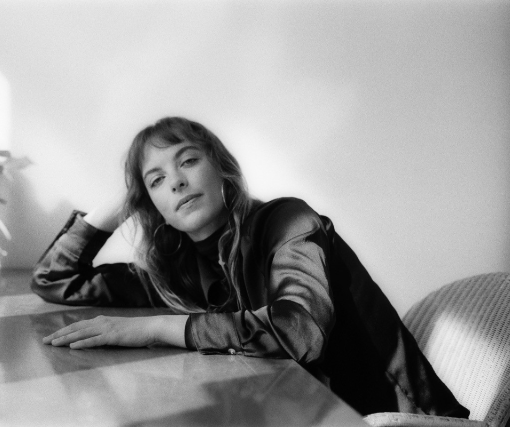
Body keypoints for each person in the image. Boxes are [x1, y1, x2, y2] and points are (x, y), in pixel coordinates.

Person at [31, 117, 469, 418]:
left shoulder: (289, 222)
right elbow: (56, 279)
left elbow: (299, 330)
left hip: (396, 420)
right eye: (157, 180)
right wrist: (119, 205)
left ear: (222, 168)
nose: (177, 181)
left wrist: (158, 327)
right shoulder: (178, 271)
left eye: (188, 161)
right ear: (152, 206)